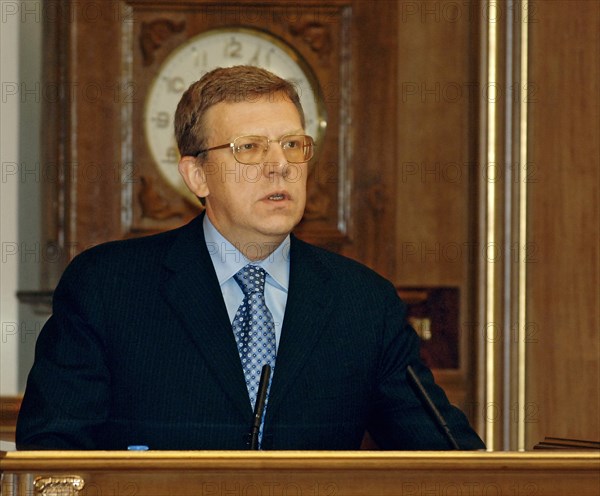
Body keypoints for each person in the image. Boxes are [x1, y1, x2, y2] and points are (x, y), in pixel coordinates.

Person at [16, 66, 485, 451]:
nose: (279, 164)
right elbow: (52, 452)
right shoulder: (109, 287)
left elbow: (443, 456)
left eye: (292, 145)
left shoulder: (362, 302)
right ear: (197, 174)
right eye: (249, 148)